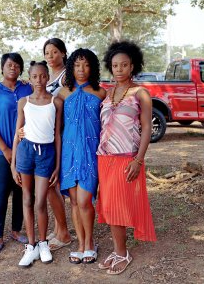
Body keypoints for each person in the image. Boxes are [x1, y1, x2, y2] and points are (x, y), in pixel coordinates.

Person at [96, 40, 157, 275]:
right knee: (110, 207)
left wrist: (138, 160)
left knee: (119, 206)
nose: (119, 69)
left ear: (132, 66)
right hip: (105, 158)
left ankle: (122, 253)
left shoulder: (141, 93)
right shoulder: (107, 93)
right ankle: (118, 250)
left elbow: (146, 129)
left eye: (124, 65)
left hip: (126, 159)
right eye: (115, 65)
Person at [11, 60, 63, 267]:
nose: (39, 80)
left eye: (43, 76)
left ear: (47, 77)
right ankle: (31, 246)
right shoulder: (24, 101)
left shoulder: (56, 102)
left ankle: (43, 243)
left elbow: (57, 135)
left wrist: (57, 166)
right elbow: (18, 133)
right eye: (35, 76)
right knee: (27, 200)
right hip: (26, 152)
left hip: (46, 153)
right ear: (30, 78)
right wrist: (13, 164)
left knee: (41, 201)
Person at [58, 48, 106, 264]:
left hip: (91, 153)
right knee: (75, 203)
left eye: (86, 65)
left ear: (92, 68)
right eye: (77, 65)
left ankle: (90, 242)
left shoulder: (101, 93)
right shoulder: (62, 93)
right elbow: (50, 121)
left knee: (85, 200)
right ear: (71, 67)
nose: (81, 69)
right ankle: (80, 244)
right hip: (69, 152)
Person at [0, 52, 33, 253]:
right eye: (9, 65)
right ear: (2, 67)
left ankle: (16, 230)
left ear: (20, 69)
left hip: (25, 149)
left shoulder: (27, 88)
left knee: (21, 190)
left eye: (17, 65)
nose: (13, 68)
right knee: (2, 192)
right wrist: (5, 149)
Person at [42, 38, 73, 250]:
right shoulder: (45, 77)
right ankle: (58, 227)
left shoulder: (66, 76)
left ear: (63, 53)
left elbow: (70, 99)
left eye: (54, 52)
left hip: (61, 133)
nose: (51, 57)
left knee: (53, 184)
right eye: (47, 53)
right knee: (53, 185)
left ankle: (63, 232)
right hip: (46, 134)